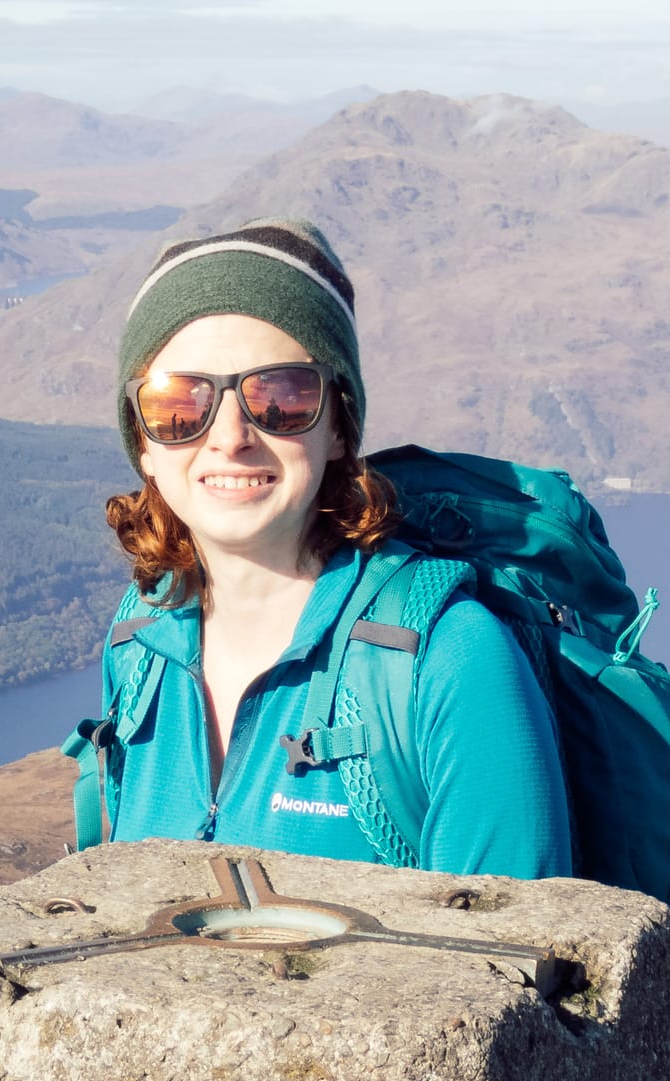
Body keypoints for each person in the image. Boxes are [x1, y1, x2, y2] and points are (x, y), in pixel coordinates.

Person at [89, 217, 570, 879]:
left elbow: (513, 940)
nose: (229, 437)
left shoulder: (448, 659)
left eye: (280, 397)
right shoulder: (140, 641)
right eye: (180, 404)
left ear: (338, 427)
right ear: (143, 441)